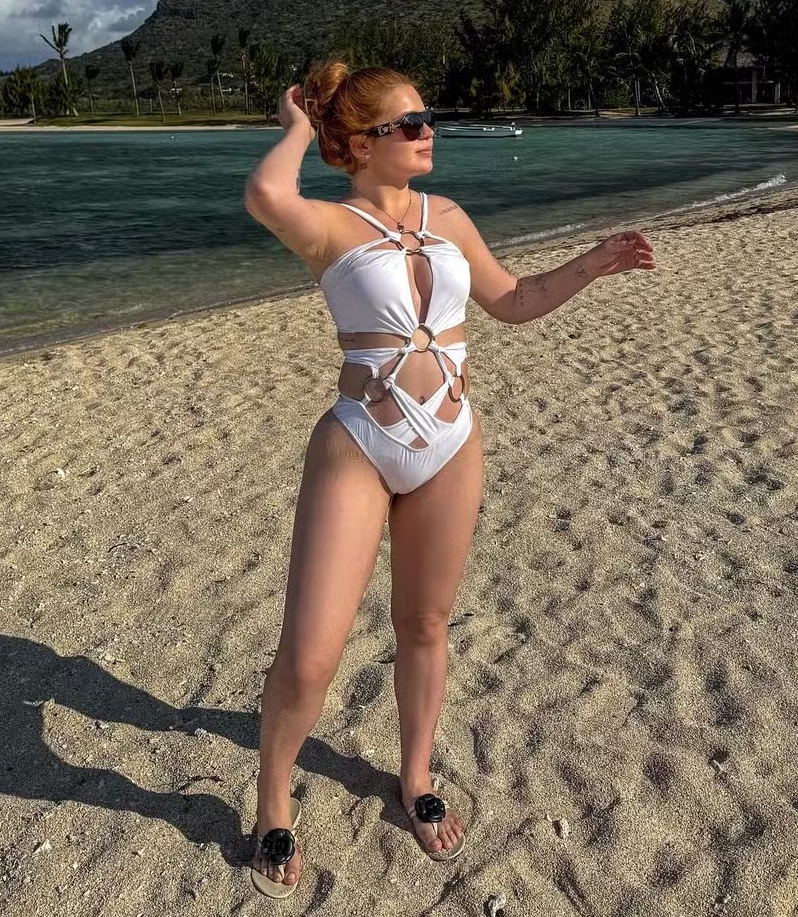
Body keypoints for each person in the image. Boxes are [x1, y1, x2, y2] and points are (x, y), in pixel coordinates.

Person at [242, 60, 656, 897]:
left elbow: (513, 299)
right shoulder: (328, 225)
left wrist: (592, 264)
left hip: (452, 442)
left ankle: (416, 775)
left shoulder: (451, 217)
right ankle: (273, 800)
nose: (428, 130)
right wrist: (296, 127)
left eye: (427, 117)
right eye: (409, 123)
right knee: (312, 655)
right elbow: (264, 193)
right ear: (362, 143)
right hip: (360, 441)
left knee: (426, 624)